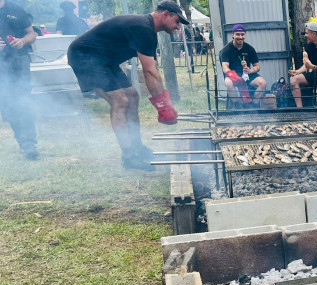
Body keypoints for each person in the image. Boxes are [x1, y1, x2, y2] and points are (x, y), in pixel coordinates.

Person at [67, 0, 186, 170]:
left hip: (106, 61)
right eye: (177, 21)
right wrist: (163, 106)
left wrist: (164, 105)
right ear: (166, 14)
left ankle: (137, 148)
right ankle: (129, 157)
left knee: (132, 96)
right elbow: (149, 73)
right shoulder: (142, 28)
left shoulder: (148, 31)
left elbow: (152, 69)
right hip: (85, 56)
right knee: (120, 101)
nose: (178, 27)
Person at [0, 0, 38, 159]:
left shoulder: (15, 8)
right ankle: (21, 139)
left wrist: (22, 41)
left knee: (23, 101)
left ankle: (29, 144)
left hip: (19, 62)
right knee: (8, 104)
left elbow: (32, 33)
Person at [219, 24, 267, 108]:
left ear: (245, 35)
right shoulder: (226, 50)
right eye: (237, 34)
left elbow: (257, 67)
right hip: (234, 75)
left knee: (263, 83)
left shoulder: (250, 49)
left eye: (242, 34)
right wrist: (233, 76)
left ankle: (254, 104)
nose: (240, 37)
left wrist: (250, 70)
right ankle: (237, 104)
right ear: (233, 35)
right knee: (228, 83)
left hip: (247, 75)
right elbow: (225, 67)